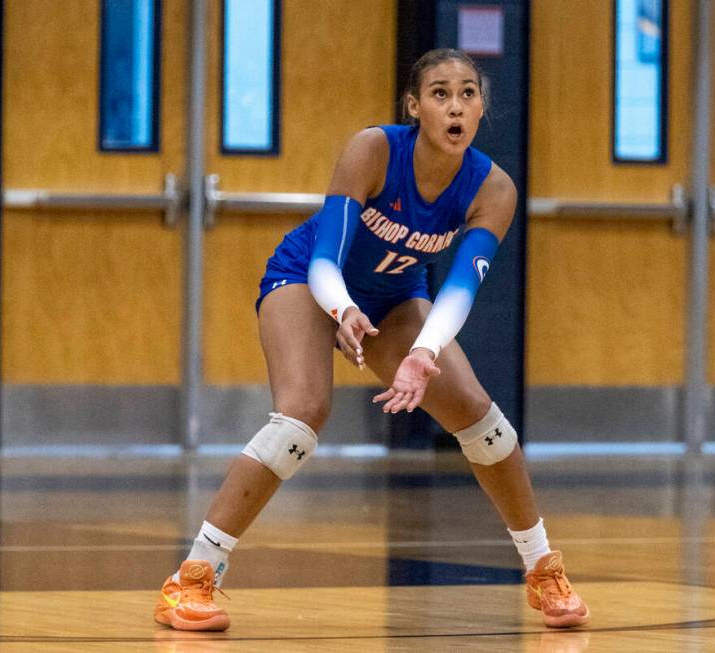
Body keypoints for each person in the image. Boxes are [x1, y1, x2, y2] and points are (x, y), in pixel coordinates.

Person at [153, 48, 589, 632]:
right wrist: (342, 309)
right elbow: (326, 258)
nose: (455, 106)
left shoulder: (495, 188)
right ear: (414, 106)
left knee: (483, 421)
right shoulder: (374, 149)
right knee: (301, 415)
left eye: (467, 93)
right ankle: (192, 578)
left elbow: (459, 290)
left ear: (482, 107)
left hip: (394, 296)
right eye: (439, 93)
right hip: (308, 279)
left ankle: (542, 572)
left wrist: (421, 353)